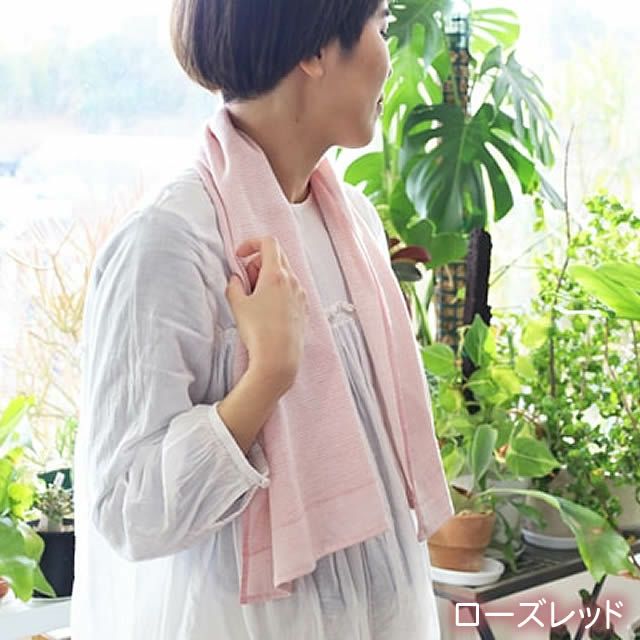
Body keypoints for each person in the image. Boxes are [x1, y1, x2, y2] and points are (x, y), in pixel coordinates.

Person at [71, 1, 453, 638]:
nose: (391, 59)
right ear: (316, 51)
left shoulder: (352, 222)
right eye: (383, 28)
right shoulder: (170, 242)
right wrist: (266, 378)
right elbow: (128, 508)